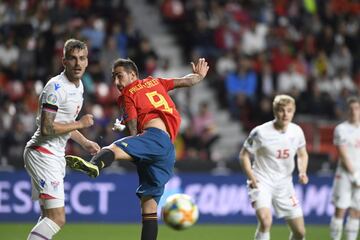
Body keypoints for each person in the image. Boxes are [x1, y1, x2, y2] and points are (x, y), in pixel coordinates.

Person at [66, 57, 209, 240]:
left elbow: (133, 131)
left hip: (153, 138)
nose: (117, 83)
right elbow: (186, 81)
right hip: (167, 150)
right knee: (149, 208)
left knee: (114, 147)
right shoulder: (154, 81)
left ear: (133, 74)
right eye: (114, 78)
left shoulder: (127, 93)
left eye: (120, 76)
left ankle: (95, 164)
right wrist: (199, 76)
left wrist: (127, 136)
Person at [24, 39, 100, 240]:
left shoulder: (79, 86)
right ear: (64, 61)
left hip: (53, 155)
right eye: (72, 58)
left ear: (86, 61)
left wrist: (84, 142)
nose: (78, 63)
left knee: (47, 216)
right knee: (58, 219)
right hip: (43, 153)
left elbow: (65, 123)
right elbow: (47, 128)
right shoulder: (55, 88)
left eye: (82, 58)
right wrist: (81, 124)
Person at [239, 94, 309, 240]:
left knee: (300, 232)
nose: (285, 114)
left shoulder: (297, 132)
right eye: (281, 110)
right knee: (265, 221)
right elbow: (244, 155)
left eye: (289, 110)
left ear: (294, 111)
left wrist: (302, 172)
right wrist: (251, 177)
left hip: (284, 184)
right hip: (261, 181)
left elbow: (302, 154)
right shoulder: (260, 132)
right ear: (274, 111)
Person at [330, 96, 360, 240]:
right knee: (340, 211)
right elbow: (343, 154)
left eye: (357, 108)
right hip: (345, 175)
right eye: (351, 109)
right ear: (347, 111)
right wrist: (355, 175)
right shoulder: (341, 129)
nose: (354, 112)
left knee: (356, 212)